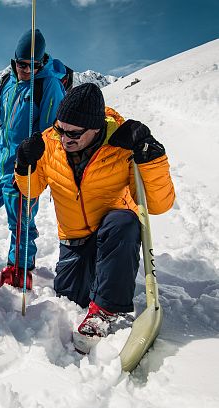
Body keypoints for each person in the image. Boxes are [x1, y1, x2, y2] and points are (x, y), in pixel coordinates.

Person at [13, 83, 175, 351]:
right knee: (71, 298)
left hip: (111, 232)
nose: (65, 139)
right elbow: (30, 189)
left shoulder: (123, 145)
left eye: (74, 134)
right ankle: (103, 280)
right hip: (73, 239)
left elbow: (158, 205)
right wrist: (23, 164)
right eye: (60, 129)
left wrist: (151, 158)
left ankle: (105, 310)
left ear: (96, 129)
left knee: (124, 222)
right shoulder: (49, 143)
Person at [0, 28, 67, 289]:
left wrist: (33, 160)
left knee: (21, 221)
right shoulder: (8, 82)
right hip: (0, 162)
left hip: (24, 167)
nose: (27, 70)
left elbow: (51, 132)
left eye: (33, 65)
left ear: (42, 62)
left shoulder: (49, 86)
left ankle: (20, 267)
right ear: (14, 61)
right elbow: (0, 113)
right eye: (22, 64)